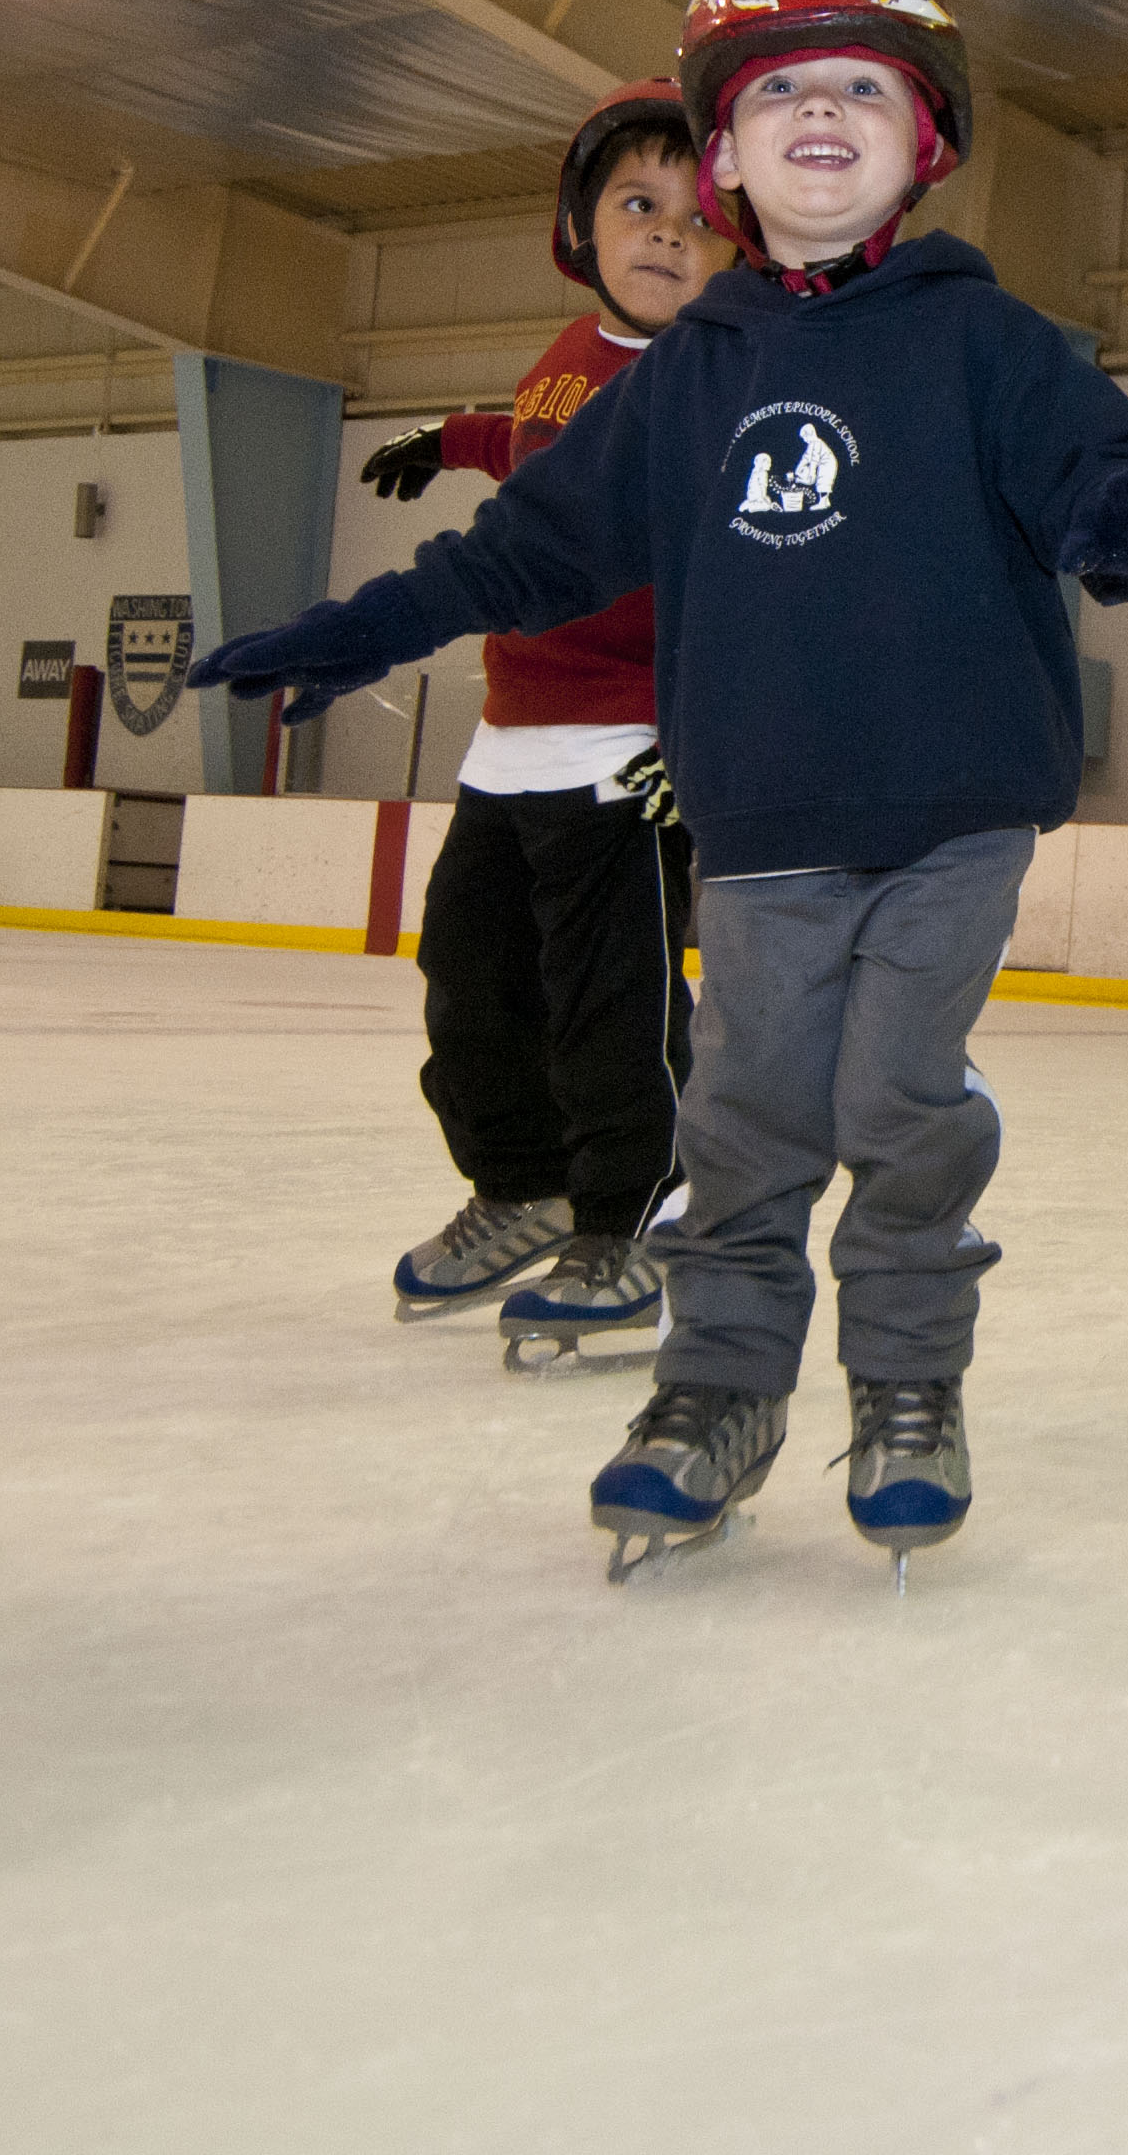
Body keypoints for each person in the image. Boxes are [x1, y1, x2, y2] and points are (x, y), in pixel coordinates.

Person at [189, 0, 1128, 1581]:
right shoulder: (689, 378)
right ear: (728, 154)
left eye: (859, 88)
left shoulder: (989, 340)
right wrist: (353, 628)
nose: (818, 112)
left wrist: (1126, 513)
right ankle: (715, 1392)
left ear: (923, 140)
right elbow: (523, 550)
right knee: (744, 1115)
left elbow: (1085, 469)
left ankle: (904, 1385)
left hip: (954, 809)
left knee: (900, 1103)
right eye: (778, 93)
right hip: (758, 823)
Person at [351, 82, 727, 1366]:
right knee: (472, 983)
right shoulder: (571, 355)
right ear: (582, 223)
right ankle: (526, 1185)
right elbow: (535, 447)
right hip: (509, 735)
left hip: (628, 745)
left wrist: (703, 733)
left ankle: (637, 1219)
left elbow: (751, 568)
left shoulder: (716, 385)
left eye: (698, 219)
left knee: (611, 1010)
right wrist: (448, 436)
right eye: (640, 205)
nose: (669, 235)